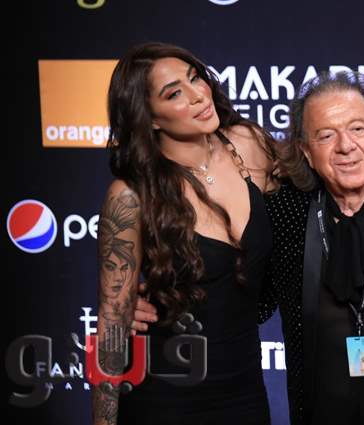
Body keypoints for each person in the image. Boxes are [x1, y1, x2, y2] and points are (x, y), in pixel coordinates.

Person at [135, 71, 364, 425]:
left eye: (358, 128)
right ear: (306, 151)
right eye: (326, 135)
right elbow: (248, 303)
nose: (346, 146)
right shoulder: (287, 213)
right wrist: (162, 301)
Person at [93, 42, 277, 425]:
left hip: (245, 393)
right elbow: (112, 327)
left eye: (195, 78)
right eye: (174, 93)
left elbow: (312, 199)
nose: (197, 95)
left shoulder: (249, 146)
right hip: (163, 398)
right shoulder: (131, 196)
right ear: (150, 118)